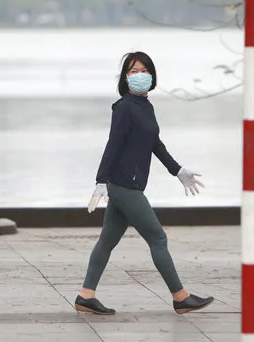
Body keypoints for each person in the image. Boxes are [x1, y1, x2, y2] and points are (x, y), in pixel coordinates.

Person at [74, 51, 214, 316]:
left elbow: (155, 144)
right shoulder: (124, 107)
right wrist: (100, 180)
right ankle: (180, 297)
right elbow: (113, 144)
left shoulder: (145, 106)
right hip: (124, 185)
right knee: (158, 237)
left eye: (143, 70)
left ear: (152, 75)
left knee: (107, 241)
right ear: (125, 79)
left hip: (127, 184)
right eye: (133, 71)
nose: (139, 75)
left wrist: (178, 170)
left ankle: (86, 295)